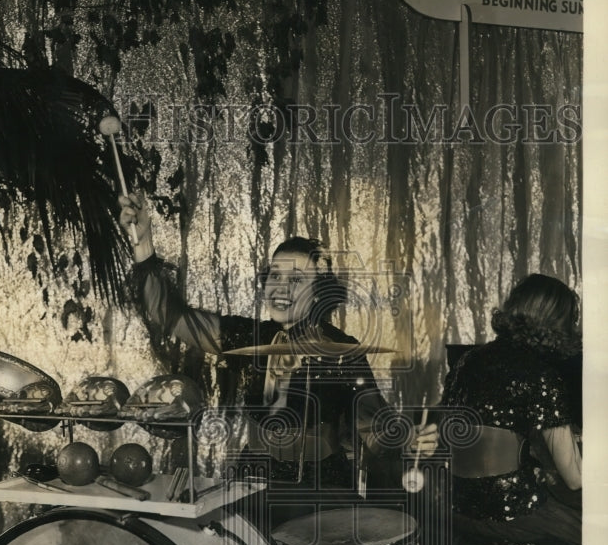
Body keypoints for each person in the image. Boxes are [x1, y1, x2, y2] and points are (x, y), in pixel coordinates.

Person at [119, 192, 438, 498]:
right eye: (275, 276)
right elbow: (167, 315)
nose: (281, 288)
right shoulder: (247, 337)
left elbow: (374, 427)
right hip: (253, 481)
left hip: (323, 489)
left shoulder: (343, 351)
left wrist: (410, 440)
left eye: (297, 280)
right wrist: (143, 244)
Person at [440, 273, 582, 545]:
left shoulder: (468, 361)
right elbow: (575, 479)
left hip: (459, 508)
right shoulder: (541, 375)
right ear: (559, 322)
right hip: (513, 514)